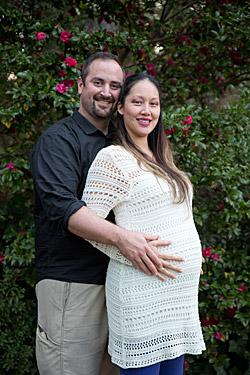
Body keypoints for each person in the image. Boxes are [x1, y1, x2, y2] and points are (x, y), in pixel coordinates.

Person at [29, 52, 184, 375]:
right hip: (73, 285)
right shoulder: (58, 141)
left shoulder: (124, 144)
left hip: (124, 285)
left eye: (115, 85)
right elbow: (63, 209)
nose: (105, 91)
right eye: (97, 82)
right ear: (79, 85)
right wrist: (122, 239)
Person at [82, 73, 206, 375]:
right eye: (137, 102)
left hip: (178, 295)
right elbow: (87, 224)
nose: (146, 110)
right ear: (121, 107)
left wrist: (194, 255)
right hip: (141, 291)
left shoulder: (163, 157)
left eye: (154, 103)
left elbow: (180, 216)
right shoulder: (113, 158)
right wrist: (134, 253)